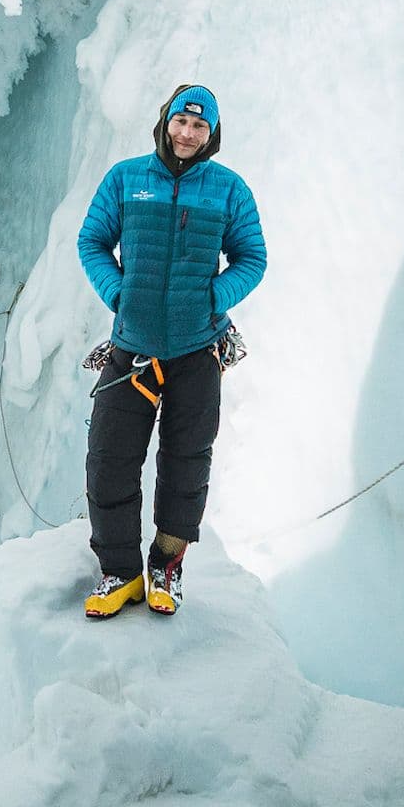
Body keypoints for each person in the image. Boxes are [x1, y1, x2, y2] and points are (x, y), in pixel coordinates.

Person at [76, 83, 267, 618]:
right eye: (181, 122)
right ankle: (120, 573)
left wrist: (212, 298)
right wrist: (119, 293)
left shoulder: (228, 190)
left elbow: (252, 258)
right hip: (131, 351)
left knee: (186, 465)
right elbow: (92, 241)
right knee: (108, 461)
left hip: (196, 351)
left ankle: (166, 567)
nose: (187, 133)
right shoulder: (126, 179)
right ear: (165, 122)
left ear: (212, 134)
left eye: (199, 126)